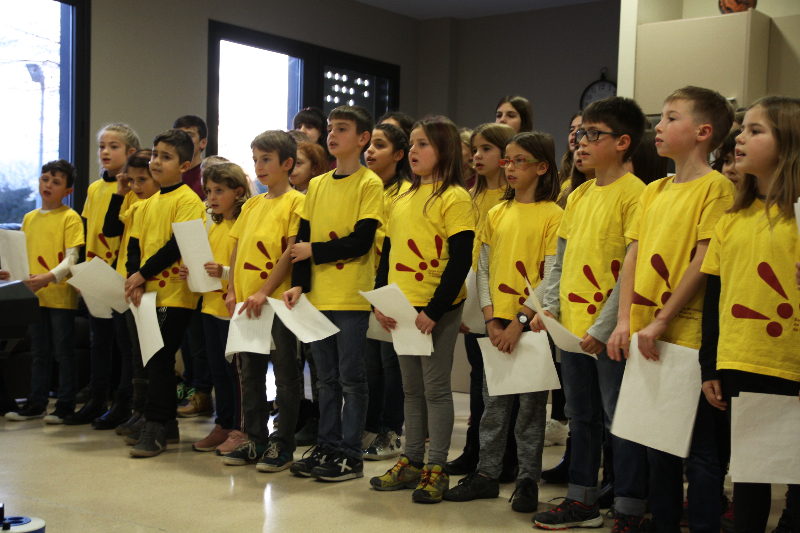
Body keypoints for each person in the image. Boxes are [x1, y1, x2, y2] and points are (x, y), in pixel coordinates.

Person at [607, 86, 736, 533]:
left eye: (670, 118)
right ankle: (662, 522)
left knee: (699, 451)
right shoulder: (654, 190)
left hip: (687, 337)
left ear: (703, 132)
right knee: (656, 443)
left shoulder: (717, 188)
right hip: (645, 334)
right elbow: (633, 255)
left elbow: (704, 259)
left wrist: (663, 318)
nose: (658, 126)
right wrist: (625, 319)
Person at [531, 96, 650, 532]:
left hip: (609, 333)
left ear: (622, 142)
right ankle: (581, 500)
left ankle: (630, 507)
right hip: (571, 331)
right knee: (581, 418)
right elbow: (560, 262)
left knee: (620, 419)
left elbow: (632, 269)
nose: (580, 142)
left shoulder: (637, 194)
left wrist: (603, 326)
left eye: (592, 134)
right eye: (579, 134)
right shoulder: (578, 194)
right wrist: (550, 308)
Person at [443, 131, 563, 514]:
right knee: (492, 408)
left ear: (542, 167)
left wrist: (520, 321)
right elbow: (483, 269)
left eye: (520, 160)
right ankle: (486, 474)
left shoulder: (554, 214)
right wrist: (491, 319)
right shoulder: (496, 213)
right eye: (507, 160)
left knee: (530, 412)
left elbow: (552, 274)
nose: (510, 167)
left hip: (532, 327)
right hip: (497, 325)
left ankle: (527, 479)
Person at [700, 96, 800, 533]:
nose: (740, 138)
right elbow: (715, 296)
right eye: (742, 130)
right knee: (750, 477)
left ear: (789, 142)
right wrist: (710, 364)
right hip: (741, 359)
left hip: (792, 362)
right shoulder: (731, 219)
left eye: (756, 131)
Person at [369, 116, 475, 503]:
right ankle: (412, 460)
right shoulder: (400, 197)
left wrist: (435, 309)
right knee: (410, 389)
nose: (413, 150)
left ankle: (436, 467)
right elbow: (388, 254)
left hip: (436, 310)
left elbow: (460, 259)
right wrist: (381, 301)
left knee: (436, 389)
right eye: (412, 144)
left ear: (444, 150)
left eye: (422, 144)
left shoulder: (455, 198)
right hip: (402, 307)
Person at [283, 106, 383, 481]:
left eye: (342, 129)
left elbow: (361, 241)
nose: (332, 135)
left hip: (352, 297)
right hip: (318, 297)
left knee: (351, 379)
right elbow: (302, 240)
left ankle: (350, 454)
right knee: (325, 380)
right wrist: (299, 283)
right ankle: (326, 445)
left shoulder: (369, 184)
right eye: (330, 128)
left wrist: (315, 251)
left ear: (362, 139)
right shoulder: (318, 184)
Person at [221, 132, 305, 472]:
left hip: (277, 303)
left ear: (287, 163)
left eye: (266, 159)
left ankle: (282, 444)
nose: (259, 166)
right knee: (251, 374)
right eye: (256, 159)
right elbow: (237, 248)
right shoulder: (252, 204)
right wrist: (232, 289)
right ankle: (255, 439)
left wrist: (264, 291)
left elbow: (290, 251)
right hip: (247, 302)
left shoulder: (297, 202)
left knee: (284, 374)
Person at [122, 129, 206, 457]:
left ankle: (156, 425)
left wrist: (142, 274)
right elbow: (134, 245)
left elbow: (176, 246)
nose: (156, 162)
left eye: (166, 157)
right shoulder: (145, 204)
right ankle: (167, 424)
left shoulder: (188, 201)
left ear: (184, 165)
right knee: (153, 359)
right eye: (155, 154)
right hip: (147, 292)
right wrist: (135, 277)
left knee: (160, 358)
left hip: (175, 293)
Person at [447, 122, 515, 478]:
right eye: (474, 149)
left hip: (504, 298)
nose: (477, 155)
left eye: (486, 148)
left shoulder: (511, 199)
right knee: (477, 377)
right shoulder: (469, 197)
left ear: (505, 154)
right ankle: (474, 449)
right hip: (475, 295)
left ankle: (503, 455)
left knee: (501, 382)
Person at [68, 124, 140, 427]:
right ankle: (96, 398)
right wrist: (83, 273)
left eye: (113, 146)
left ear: (130, 152)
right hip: (95, 272)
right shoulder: (94, 188)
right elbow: (88, 232)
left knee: (124, 342)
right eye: (102, 146)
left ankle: (124, 401)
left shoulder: (134, 190)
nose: (105, 152)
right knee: (99, 340)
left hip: (120, 273)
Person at [5, 160, 84, 423]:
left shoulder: (70, 217)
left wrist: (49, 277)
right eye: (45, 179)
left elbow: (72, 258)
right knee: (39, 352)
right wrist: (9, 272)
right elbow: (21, 255)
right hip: (34, 297)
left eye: (56, 182)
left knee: (63, 352)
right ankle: (36, 402)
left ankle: (65, 405)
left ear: (68, 191)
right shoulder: (29, 218)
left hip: (60, 296)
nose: (48, 185)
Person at [179, 162, 251, 452]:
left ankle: (240, 428)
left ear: (238, 192)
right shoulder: (214, 224)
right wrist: (191, 271)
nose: (212, 197)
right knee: (217, 371)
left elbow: (246, 268)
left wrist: (222, 272)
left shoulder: (244, 224)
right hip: (210, 306)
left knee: (235, 374)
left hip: (232, 310)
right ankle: (222, 424)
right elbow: (206, 264)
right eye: (208, 191)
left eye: (219, 191)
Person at [101, 149, 160, 435]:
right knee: (130, 349)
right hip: (126, 281)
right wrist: (120, 191)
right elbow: (110, 228)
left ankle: (149, 411)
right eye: (132, 180)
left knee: (147, 352)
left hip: (148, 283)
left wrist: (141, 277)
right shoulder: (132, 201)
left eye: (142, 180)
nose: (136, 186)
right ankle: (136, 409)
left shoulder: (158, 205)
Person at [362, 122, 412, 460]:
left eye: (380, 145)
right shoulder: (362, 187)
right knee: (370, 365)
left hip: (393, 285)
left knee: (391, 364)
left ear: (398, 155)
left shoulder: (405, 193)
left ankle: (392, 431)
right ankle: (369, 427)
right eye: (370, 145)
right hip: (360, 286)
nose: (370, 151)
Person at [287, 140, 330, 446]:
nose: (293, 168)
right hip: (289, 288)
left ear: (316, 168)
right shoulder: (286, 198)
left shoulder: (317, 199)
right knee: (295, 357)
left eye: (299, 163)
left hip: (316, 287)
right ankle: (299, 412)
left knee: (316, 360)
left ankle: (318, 417)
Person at [173, 115, 214, 418]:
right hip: (176, 268)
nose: (183, 140)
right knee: (185, 338)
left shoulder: (206, 176)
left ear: (202, 142)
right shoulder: (172, 177)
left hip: (203, 264)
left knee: (200, 338)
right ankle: (188, 388)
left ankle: (202, 392)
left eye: (189, 135)